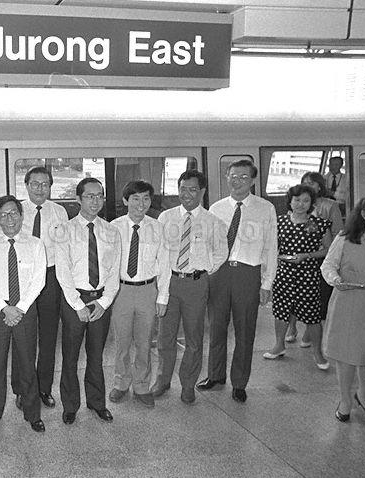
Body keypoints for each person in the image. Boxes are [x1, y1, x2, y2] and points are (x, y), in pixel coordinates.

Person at [198, 160, 277, 403]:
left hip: (247, 273)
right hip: (219, 273)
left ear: (253, 180)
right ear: (226, 176)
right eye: (233, 175)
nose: (237, 180)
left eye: (243, 177)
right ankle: (215, 375)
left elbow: (271, 247)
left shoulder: (266, 208)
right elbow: (208, 244)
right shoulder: (216, 207)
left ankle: (240, 382)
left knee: (245, 330)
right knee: (217, 327)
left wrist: (267, 283)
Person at [154, 170, 228, 405]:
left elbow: (221, 252)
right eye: (183, 189)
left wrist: (203, 270)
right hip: (169, 282)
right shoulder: (165, 218)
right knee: (165, 336)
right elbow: (159, 251)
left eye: (193, 189)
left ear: (202, 192)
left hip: (196, 284)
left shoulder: (212, 221)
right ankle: (163, 381)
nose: (186, 194)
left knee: (194, 339)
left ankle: (187, 385)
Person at [55, 177, 121, 424]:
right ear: (78, 199)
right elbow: (63, 272)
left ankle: (96, 403)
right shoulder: (65, 230)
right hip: (75, 300)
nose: (95, 201)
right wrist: (78, 305)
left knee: (96, 355)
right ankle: (70, 405)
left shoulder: (111, 231)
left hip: (100, 300)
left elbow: (114, 272)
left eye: (99, 196)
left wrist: (104, 303)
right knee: (70, 356)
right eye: (90, 196)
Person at [0, 195, 47, 432]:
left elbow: (39, 280)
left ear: (21, 215)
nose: (10, 219)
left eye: (14, 213)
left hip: (26, 311)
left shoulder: (36, 244)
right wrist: (4, 307)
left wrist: (20, 308)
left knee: (28, 364)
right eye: (4, 215)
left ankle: (32, 413)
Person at [10, 166, 69, 410]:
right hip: (22, 280)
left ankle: (44, 388)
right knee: (22, 337)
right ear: (26, 185)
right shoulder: (15, 210)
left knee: (47, 336)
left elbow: (64, 249)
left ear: (51, 186)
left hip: (50, 278)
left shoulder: (60, 212)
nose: (40, 188)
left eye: (45, 184)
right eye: (35, 183)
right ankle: (22, 389)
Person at [108, 180, 170, 408]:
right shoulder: (113, 227)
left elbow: (164, 264)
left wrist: (162, 297)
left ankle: (142, 385)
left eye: (145, 198)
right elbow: (107, 264)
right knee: (122, 342)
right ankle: (121, 383)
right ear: (125, 201)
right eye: (135, 198)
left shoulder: (158, 228)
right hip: (121, 291)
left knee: (144, 342)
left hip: (147, 290)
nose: (140, 203)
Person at [321, 194, 365, 423]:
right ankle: (344, 399)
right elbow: (328, 265)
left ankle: (363, 396)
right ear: (364, 215)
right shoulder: (345, 238)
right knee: (345, 355)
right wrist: (335, 279)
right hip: (349, 302)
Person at [263, 185, 331, 369]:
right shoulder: (279, 222)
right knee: (281, 311)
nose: (300, 204)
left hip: (307, 274)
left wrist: (307, 256)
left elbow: (328, 249)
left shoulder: (318, 223)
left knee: (312, 315)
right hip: (283, 273)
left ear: (311, 203)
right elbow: (271, 248)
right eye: (297, 200)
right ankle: (279, 345)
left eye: (305, 200)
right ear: (290, 201)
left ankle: (318, 353)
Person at [285, 171, 342, 346]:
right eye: (305, 182)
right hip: (296, 256)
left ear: (320, 185)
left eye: (312, 182)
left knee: (315, 297)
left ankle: (310, 332)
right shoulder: (296, 204)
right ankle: (292, 326)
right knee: (293, 295)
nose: (308, 185)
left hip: (320, 257)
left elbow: (338, 231)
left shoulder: (329, 205)